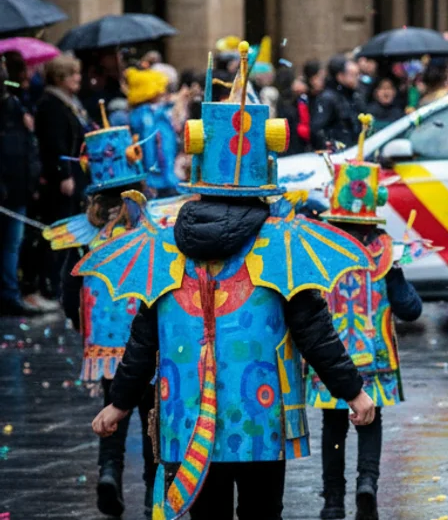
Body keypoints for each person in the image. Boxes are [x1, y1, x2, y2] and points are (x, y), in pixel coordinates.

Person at [86, 42, 377, 520]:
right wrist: (353, 391)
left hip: (184, 421)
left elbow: (143, 337)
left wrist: (118, 405)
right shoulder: (281, 248)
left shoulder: (161, 246)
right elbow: (313, 331)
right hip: (259, 423)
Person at [310, 115, 423, 520]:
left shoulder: (321, 250)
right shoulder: (384, 252)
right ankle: (367, 483)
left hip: (329, 358)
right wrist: (397, 274)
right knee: (370, 421)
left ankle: (332, 501)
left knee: (333, 427)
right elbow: (410, 309)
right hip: (375, 357)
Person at [44, 121, 154, 517]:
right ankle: (151, 491)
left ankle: (109, 470)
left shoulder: (84, 232)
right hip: (147, 336)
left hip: (105, 338)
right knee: (150, 414)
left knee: (113, 407)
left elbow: (68, 289)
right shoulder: (152, 227)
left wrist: (79, 325)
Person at [34, 55, 90, 307]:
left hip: (74, 174)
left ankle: (60, 283)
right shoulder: (51, 104)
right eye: (73, 74)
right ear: (60, 78)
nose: (78, 78)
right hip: (61, 180)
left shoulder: (68, 102)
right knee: (59, 231)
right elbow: (54, 144)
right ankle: (49, 284)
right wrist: (64, 174)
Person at [0, 57, 41, 317]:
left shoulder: (14, 98)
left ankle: (11, 291)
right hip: (9, 183)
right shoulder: (9, 98)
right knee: (10, 244)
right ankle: (9, 293)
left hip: (16, 184)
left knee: (13, 243)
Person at [125, 67, 180, 197]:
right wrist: (152, 175)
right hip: (157, 177)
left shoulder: (151, 113)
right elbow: (149, 146)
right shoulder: (146, 116)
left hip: (164, 174)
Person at [312, 54, 362, 151]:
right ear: (340, 76)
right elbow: (317, 129)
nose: (357, 79)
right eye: (353, 75)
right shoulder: (328, 98)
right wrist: (331, 145)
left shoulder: (353, 96)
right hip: (338, 154)